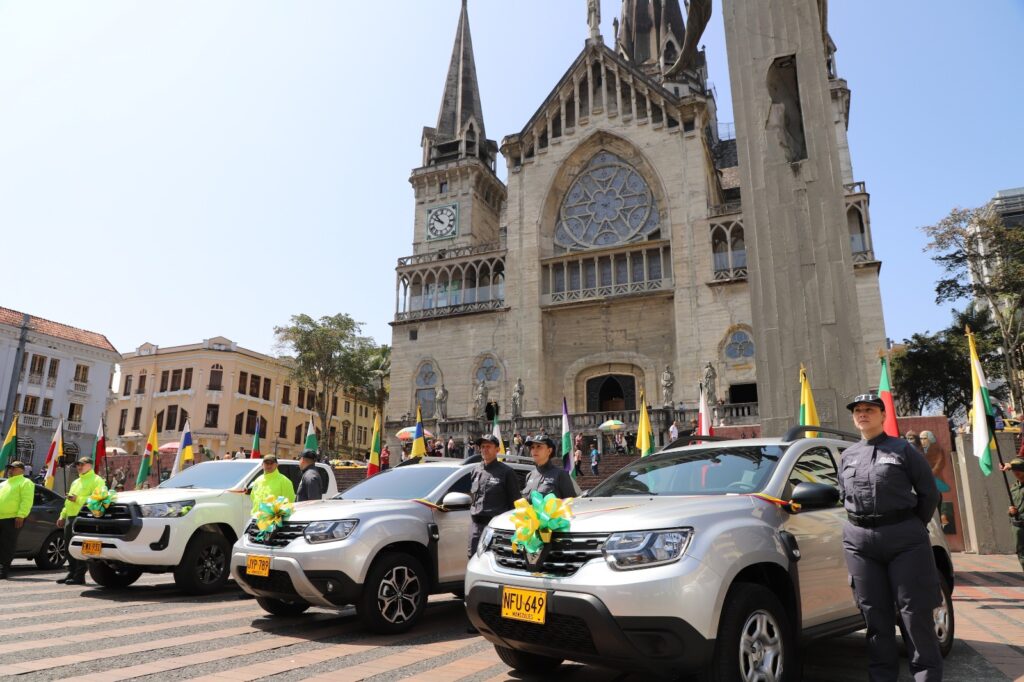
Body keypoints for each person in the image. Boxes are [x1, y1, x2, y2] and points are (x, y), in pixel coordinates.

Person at [839, 393, 942, 682]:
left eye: (869, 409)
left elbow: (929, 494)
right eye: (858, 410)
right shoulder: (847, 455)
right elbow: (843, 496)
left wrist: (908, 526)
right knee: (874, 616)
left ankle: (925, 677)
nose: (862, 414)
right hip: (860, 542)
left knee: (914, 614)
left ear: (883, 415)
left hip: (904, 540)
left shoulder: (903, 450)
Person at [468, 435, 520, 558]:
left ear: (497, 449)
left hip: (496, 527)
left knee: (494, 561)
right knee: (473, 559)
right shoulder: (476, 471)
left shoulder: (507, 472)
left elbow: (515, 504)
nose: (485, 449)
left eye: (489, 446)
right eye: (482, 447)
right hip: (476, 527)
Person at [56, 457, 105, 585]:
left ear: (90, 465)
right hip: (70, 516)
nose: (79, 466)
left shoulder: (97, 480)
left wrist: (78, 499)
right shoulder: (76, 482)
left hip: (84, 517)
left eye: (81, 464)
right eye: (77, 464)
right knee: (68, 548)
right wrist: (62, 515)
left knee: (80, 548)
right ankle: (71, 573)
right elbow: (68, 501)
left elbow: (99, 499)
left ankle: (79, 576)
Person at [0, 461, 34, 579]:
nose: (10, 470)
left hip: (12, 518)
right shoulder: (4, 483)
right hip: (1, 517)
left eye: (13, 468)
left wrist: (21, 515)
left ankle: (3, 570)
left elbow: (27, 500)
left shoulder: (26, 482)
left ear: (21, 470)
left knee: (7, 545)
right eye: (9, 468)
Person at [998, 457, 1024, 572]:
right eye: (1014, 471)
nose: (1016, 473)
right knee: (1021, 553)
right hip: (1018, 526)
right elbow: (1010, 507)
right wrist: (1010, 511)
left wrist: (1010, 466)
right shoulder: (1013, 488)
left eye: (1019, 469)